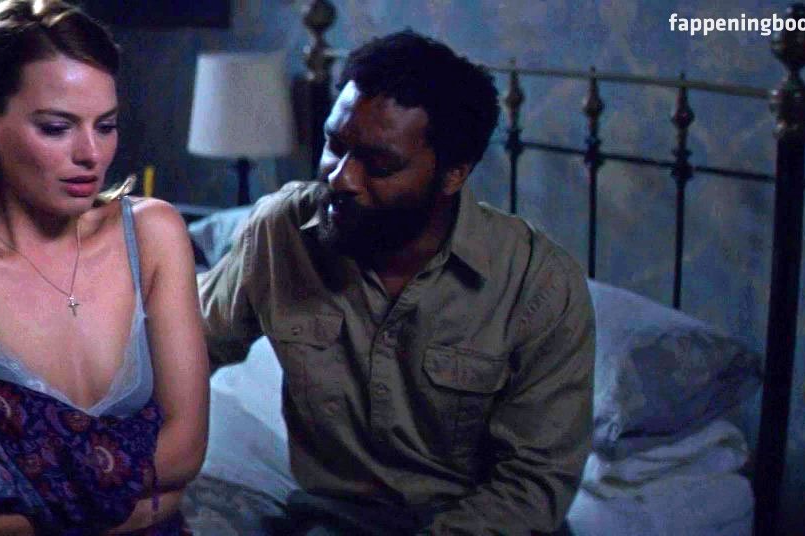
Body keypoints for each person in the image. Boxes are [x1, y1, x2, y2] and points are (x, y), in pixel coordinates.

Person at [199, 30, 594, 535]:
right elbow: (187, 347)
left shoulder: (538, 284)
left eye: (380, 164)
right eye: (335, 145)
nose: (341, 177)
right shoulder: (282, 232)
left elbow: (534, 484)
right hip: (338, 521)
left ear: (453, 174)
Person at [0, 1, 208, 534]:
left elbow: (187, 452)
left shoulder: (154, 235)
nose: (91, 154)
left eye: (106, 126)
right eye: (56, 128)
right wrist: (141, 497)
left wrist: (32, 493)